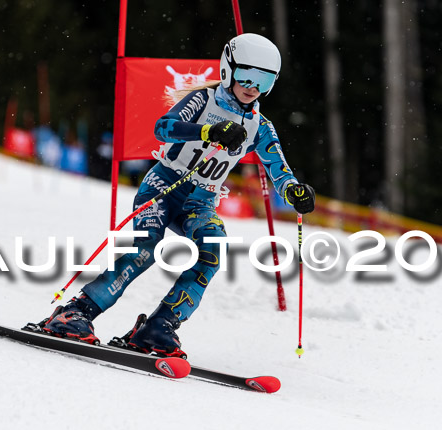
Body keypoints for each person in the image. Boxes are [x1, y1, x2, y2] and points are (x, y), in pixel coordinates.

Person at [37, 33, 315, 358]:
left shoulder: (260, 126)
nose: (252, 86)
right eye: (246, 75)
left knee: (214, 248)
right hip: (162, 187)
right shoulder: (203, 100)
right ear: (228, 68)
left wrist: (295, 191)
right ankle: (76, 312)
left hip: (200, 202)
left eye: (263, 79)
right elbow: (163, 128)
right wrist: (208, 131)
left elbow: (278, 168)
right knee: (145, 248)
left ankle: (159, 327)